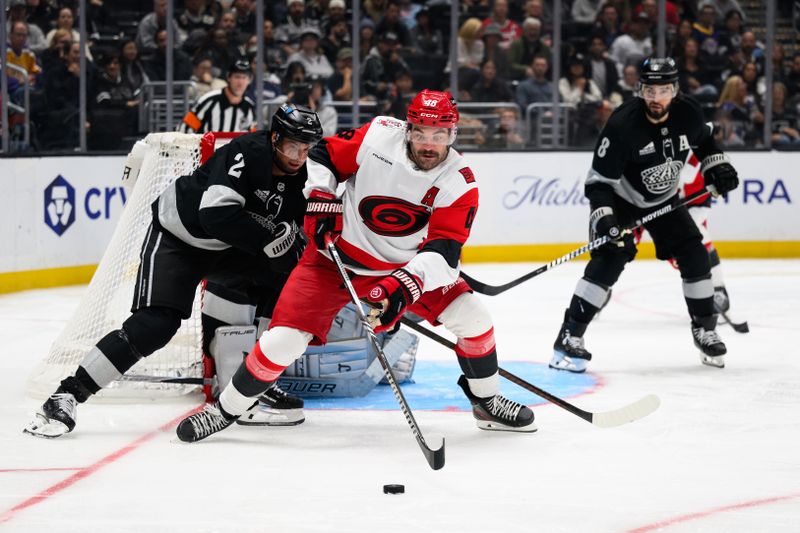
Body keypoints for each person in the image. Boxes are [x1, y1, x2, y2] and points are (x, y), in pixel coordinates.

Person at [175, 89, 537, 442]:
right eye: (422, 133)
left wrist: (403, 286)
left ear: (452, 135)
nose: (429, 144)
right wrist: (320, 196)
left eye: (439, 135)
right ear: (407, 129)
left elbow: (444, 253)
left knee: (474, 318)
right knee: (283, 341)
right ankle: (224, 411)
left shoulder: (459, 183)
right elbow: (322, 154)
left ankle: (486, 402)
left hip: (403, 267)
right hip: (333, 261)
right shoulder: (379, 135)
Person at [23, 105, 324, 438]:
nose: (298, 155)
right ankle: (66, 395)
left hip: (227, 248)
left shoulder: (305, 177)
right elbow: (215, 214)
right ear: (275, 138)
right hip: (179, 237)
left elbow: (297, 227)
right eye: (292, 145)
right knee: (155, 325)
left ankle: (253, 384)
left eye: (306, 147)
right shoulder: (247, 152)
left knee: (286, 280)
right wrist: (269, 239)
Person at [550, 58, 740, 374]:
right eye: (650, 89)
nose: (656, 97)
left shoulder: (688, 112)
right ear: (640, 89)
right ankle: (569, 337)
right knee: (610, 259)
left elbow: (704, 141)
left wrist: (717, 165)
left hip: (664, 200)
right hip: (621, 200)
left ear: (674, 90)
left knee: (695, 253)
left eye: (663, 90)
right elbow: (598, 184)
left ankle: (705, 328)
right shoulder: (623, 124)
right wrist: (607, 220)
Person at [179, 59, 255, 133]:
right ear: (229, 78)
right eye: (237, 77)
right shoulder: (209, 100)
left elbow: (252, 136)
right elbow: (184, 128)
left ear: (249, 81)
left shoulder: (249, 107)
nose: (240, 82)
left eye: (244, 78)